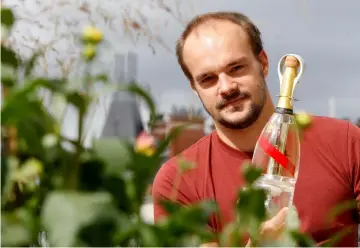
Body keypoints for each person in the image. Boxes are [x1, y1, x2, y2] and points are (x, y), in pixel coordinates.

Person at [152, 11, 360, 247]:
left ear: (263, 63)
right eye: (208, 79)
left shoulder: (344, 141)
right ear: (194, 87)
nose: (226, 87)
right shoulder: (178, 181)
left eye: (236, 68)